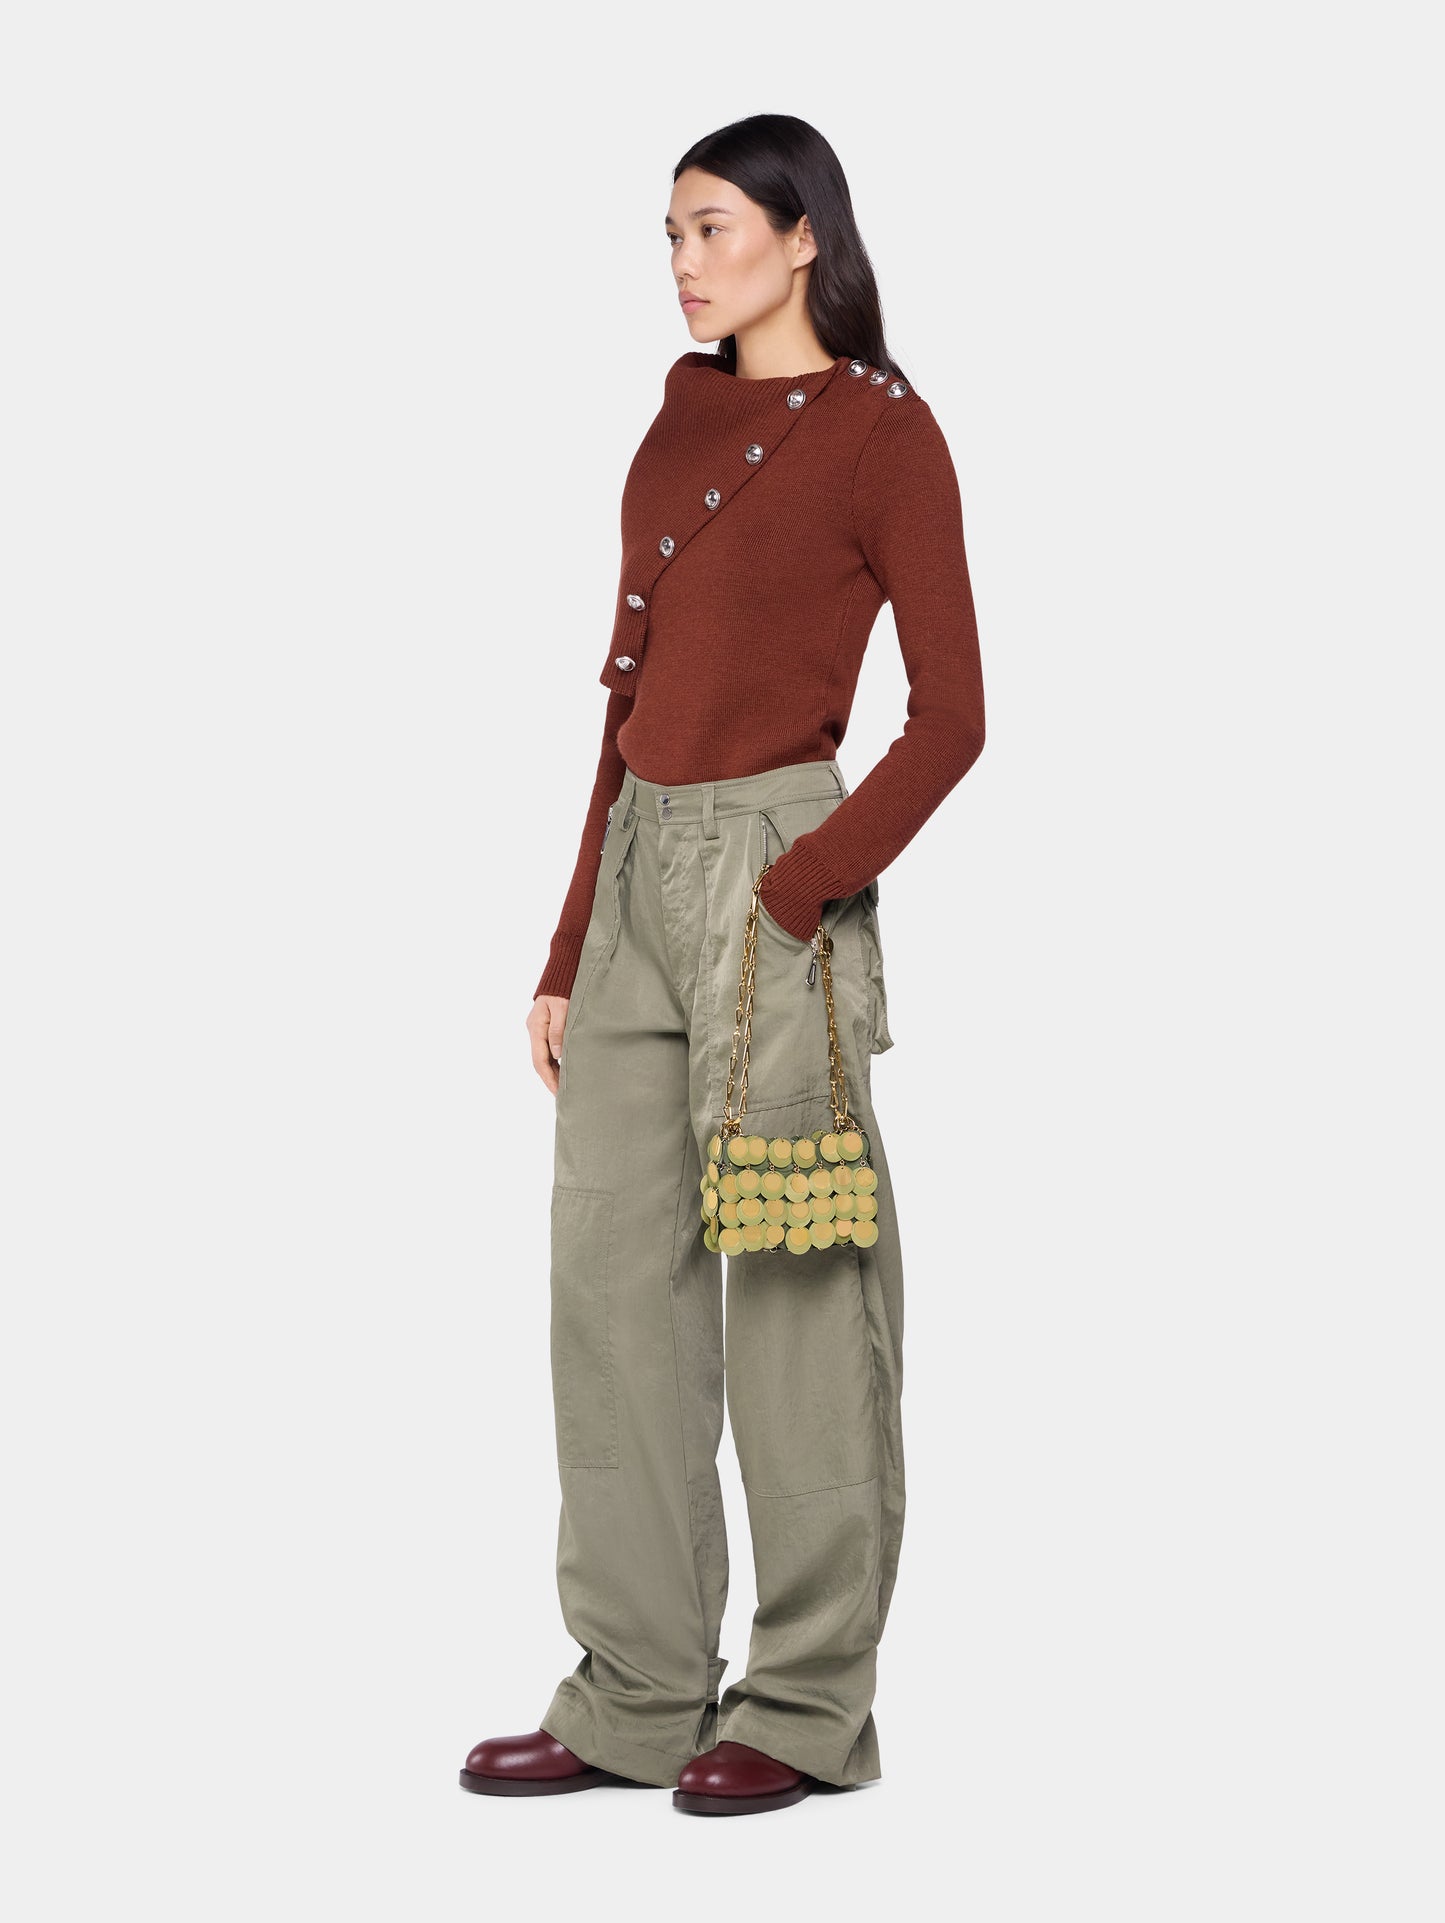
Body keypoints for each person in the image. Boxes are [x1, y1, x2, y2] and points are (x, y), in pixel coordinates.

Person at [460, 112, 985, 1818]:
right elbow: (626, 704)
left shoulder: (884, 433)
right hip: (634, 875)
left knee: (798, 1299)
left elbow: (953, 718)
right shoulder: (675, 418)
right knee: (610, 1295)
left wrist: (799, 889)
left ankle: (806, 1704)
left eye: (710, 228)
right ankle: (634, 1694)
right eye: (670, 235)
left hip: (774, 889)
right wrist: (567, 942)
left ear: (799, 234)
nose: (682, 261)